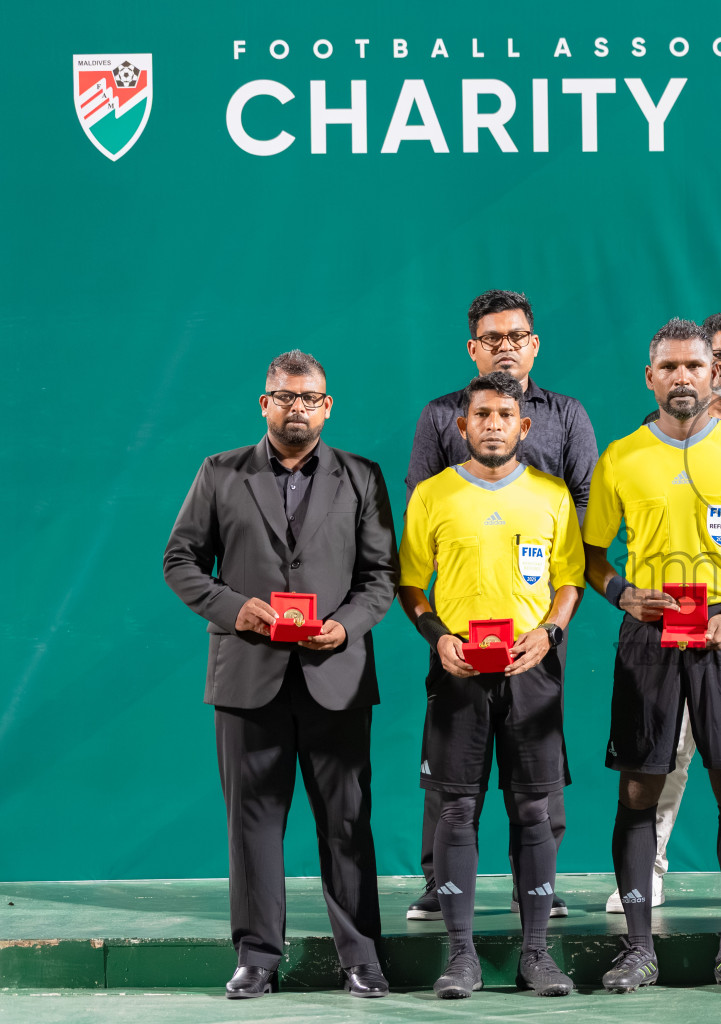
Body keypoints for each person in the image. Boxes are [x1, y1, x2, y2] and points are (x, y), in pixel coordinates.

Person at [163, 351, 396, 1000]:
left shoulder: (362, 477)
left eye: (310, 397)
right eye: (285, 396)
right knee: (253, 825)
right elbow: (180, 561)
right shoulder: (219, 473)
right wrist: (233, 608)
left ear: (328, 406)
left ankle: (362, 958)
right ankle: (257, 958)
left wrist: (344, 627)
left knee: (347, 823)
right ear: (264, 403)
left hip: (336, 675)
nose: (298, 407)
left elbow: (380, 577)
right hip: (246, 676)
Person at [582, 318, 721, 994]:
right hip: (649, 639)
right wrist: (622, 594)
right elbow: (589, 556)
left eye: (694, 367)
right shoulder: (621, 456)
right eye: (669, 367)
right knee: (639, 788)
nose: (683, 378)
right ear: (650, 377)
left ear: (714, 375)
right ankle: (638, 949)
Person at [404, 289, 597, 923]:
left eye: (516, 336)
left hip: (538, 611)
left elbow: (585, 501)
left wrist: (552, 606)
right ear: (473, 348)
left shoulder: (566, 414)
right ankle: (440, 881)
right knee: (452, 769)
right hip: (461, 616)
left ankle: (534, 882)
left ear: (534, 345)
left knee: (538, 764)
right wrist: (439, 627)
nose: (505, 347)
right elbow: (424, 507)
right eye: (492, 338)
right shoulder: (441, 414)